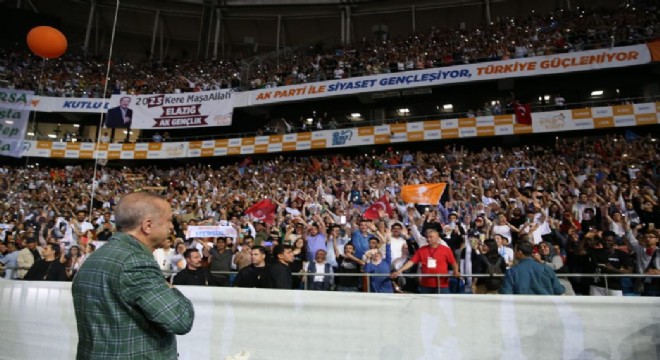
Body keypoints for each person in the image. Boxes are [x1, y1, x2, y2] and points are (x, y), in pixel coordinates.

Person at [72, 192, 194, 359]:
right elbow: (180, 319)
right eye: (168, 220)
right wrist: (168, 287)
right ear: (148, 225)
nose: (172, 226)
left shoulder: (97, 257)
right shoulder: (135, 262)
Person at [391, 229, 460, 294]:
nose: (428, 239)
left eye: (431, 237)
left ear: (437, 238)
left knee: (443, 305)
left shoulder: (446, 249)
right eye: (427, 237)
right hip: (426, 284)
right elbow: (411, 262)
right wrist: (399, 271)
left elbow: (453, 262)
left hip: (442, 284)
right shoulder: (422, 250)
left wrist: (456, 271)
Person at [499, 241, 565, 295]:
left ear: (520, 252)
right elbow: (559, 290)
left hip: (522, 308)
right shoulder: (547, 268)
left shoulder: (512, 271)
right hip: (546, 307)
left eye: (515, 251)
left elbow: (506, 292)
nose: (514, 253)